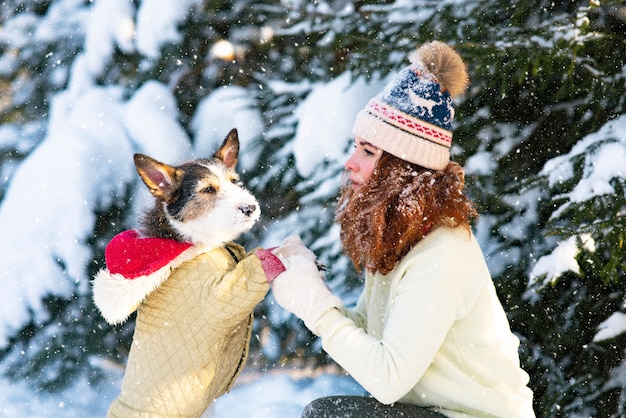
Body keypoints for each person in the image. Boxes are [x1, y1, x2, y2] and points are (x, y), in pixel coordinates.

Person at [268, 41, 535, 417]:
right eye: (356, 147)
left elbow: (388, 379)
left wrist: (315, 307)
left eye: (368, 151)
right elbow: (372, 332)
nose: (350, 163)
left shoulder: (439, 255)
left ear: (402, 168)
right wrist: (310, 285)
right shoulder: (406, 238)